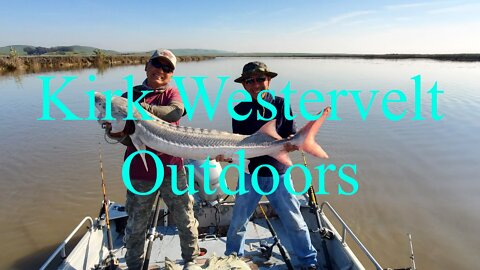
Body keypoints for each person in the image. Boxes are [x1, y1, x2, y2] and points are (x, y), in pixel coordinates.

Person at [106, 49, 201, 269]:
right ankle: (134, 265)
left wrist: (141, 109)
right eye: (157, 64)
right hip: (139, 173)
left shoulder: (171, 94)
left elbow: (176, 113)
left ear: (171, 74)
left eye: (167, 68)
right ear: (146, 66)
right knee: (136, 224)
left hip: (172, 169)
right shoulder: (127, 97)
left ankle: (191, 260)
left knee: (185, 218)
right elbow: (127, 139)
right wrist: (114, 133)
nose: (161, 70)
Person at [220, 61, 318, 269]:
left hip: (279, 173)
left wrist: (294, 142)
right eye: (250, 81)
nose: (256, 84)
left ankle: (308, 262)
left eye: (260, 79)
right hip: (250, 174)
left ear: (269, 81)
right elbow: (239, 144)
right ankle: (232, 259)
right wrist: (227, 155)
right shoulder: (239, 110)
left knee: (295, 222)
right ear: (244, 85)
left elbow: (290, 132)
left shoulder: (282, 104)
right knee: (238, 223)